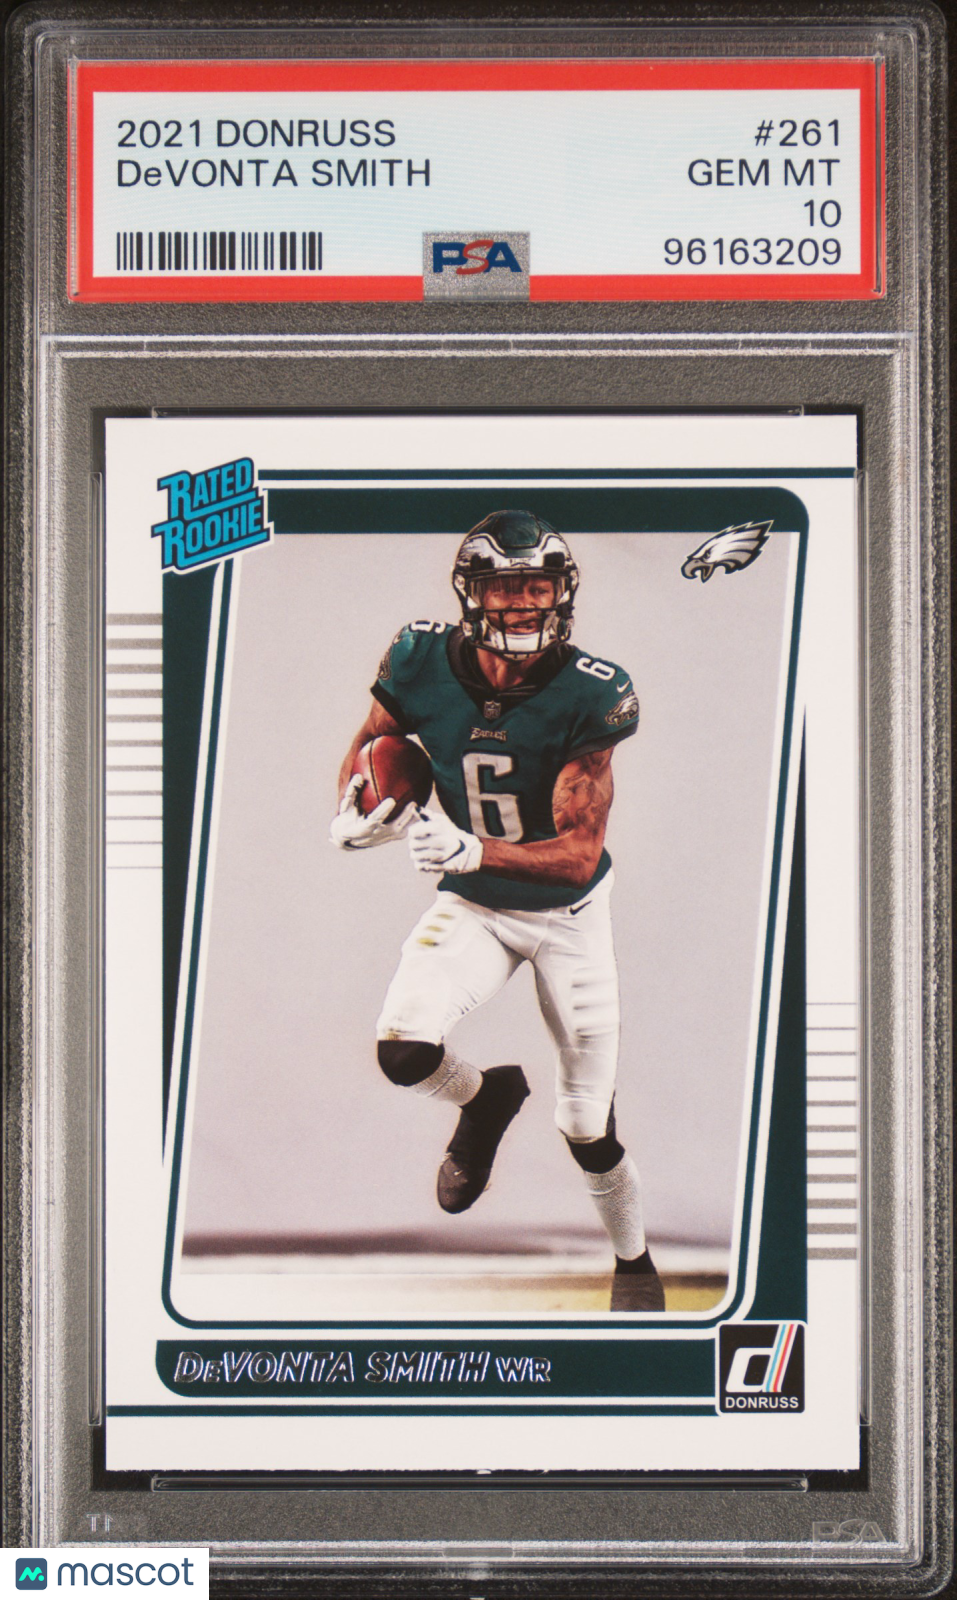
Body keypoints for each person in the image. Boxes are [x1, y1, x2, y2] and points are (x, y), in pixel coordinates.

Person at [330, 510, 664, 1312]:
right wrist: (353, 810)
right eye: (502, 588)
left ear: (561, 592)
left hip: (568, 914)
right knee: (402, 1049)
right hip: (477, 905)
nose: (520, 604)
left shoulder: (592, 691)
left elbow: (577, 853)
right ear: (469, 594)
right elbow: (373, 745)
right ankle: (483, 1100)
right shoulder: (418, 658)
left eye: (535, 587)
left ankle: (633, 1262)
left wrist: (469, 849)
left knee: (585, 1124)